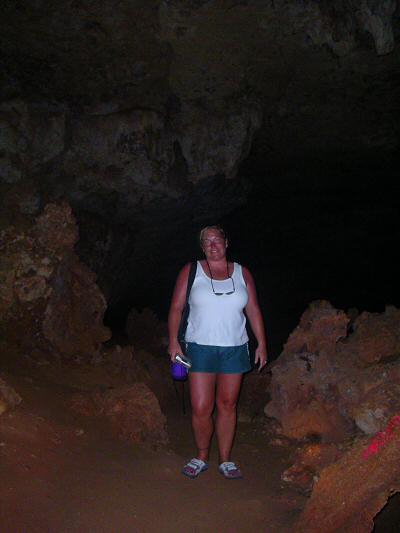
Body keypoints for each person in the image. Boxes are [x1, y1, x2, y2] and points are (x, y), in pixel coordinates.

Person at [168, 225, 267, 479]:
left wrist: (262, 343)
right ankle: (202, 456)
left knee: (227, 404)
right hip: (199, 347)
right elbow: (177, 307)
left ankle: (225, 459)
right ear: (202, 247)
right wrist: (173, 342)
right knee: (201, 407)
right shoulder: (191, 271)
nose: (213, 245)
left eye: (217, 239)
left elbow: (253, 309)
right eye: (207, 241)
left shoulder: (243, 272)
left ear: (226, 242)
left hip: (235, 347)